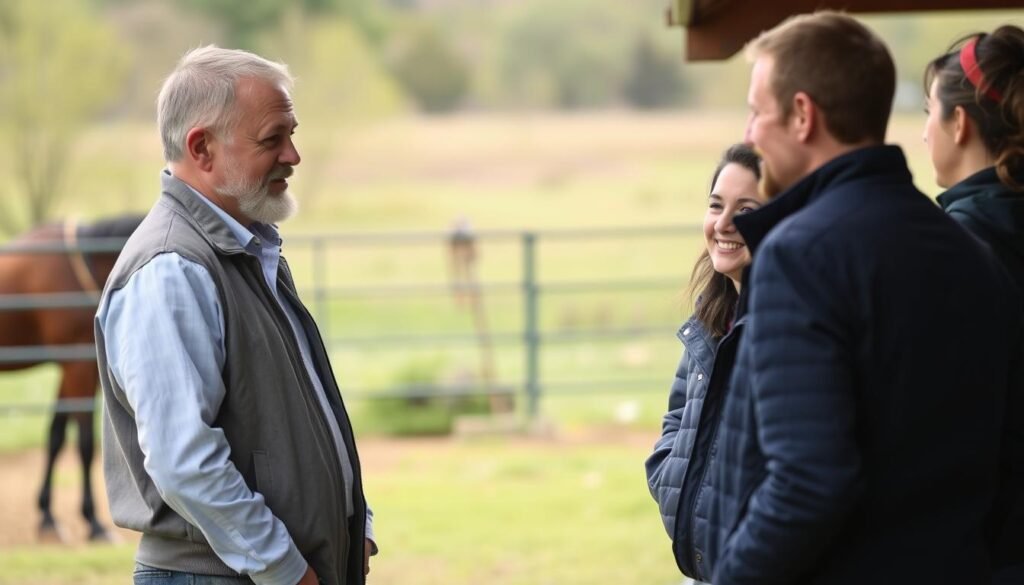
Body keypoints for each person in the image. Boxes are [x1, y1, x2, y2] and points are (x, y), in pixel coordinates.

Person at [703, 12, 1022, 585]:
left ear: (802, 115)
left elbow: (807, 482)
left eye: (757, 111)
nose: (749, 134)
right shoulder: (965, 249)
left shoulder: (800, 256)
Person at [96, 46, 376, 585]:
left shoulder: (244, 251)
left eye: (292, 135)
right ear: (202, 147)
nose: (293, 155)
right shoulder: (172, 269)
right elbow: (184, 461)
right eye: (272, 139)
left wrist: (351, 523)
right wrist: (285, 568)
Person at [924, 26, 1024, 583]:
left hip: (987, 548)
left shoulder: (952, 250)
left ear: (958, 124)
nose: (921, 135)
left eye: (927, 112)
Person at [645, 144, 765, 585]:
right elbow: (678, 418)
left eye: (746, 209)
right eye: (716, 205)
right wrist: (673, 484)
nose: (723, 224)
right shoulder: (711, 318)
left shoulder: (786, 325)